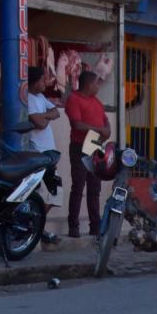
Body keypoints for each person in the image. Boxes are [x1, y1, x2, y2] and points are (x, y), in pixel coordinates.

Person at [65, 69, 110, 237]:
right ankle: (73, 226)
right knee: (78, 186)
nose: (98, 86)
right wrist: (99, 130)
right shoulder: (74, 99)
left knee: (94, 187)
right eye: (96, 83)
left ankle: (95, 226)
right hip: (80, 145)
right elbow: (77, 124)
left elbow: (105, 121)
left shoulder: (96, 102)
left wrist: (106, 130)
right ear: (89, 84)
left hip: (95, 144)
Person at [23, 64, 60, 154]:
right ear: (35, 82)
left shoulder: (40, 96)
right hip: (38, 150)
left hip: (48, 148)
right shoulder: (28, 98)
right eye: (42, 80)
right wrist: (48, 114)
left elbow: (57, 113)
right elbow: (41, 124)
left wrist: (43, 115)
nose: (45, 83)